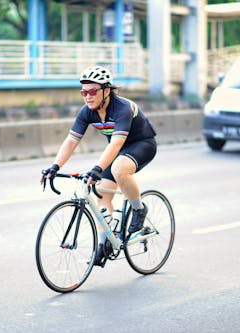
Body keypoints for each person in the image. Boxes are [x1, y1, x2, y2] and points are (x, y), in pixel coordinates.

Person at [41, 65, 157, 266]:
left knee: (119, 169)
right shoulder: (87, 112)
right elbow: (71, 141)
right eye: (84, 92)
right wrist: (55, 166)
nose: (87, 96)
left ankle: (138, 209)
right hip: (117, 149)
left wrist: (97, 168)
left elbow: (117, 143)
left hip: (141, 144)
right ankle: (106, 240)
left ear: (106, 90)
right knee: (102, 193)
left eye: (92, 91)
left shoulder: (122, 108)